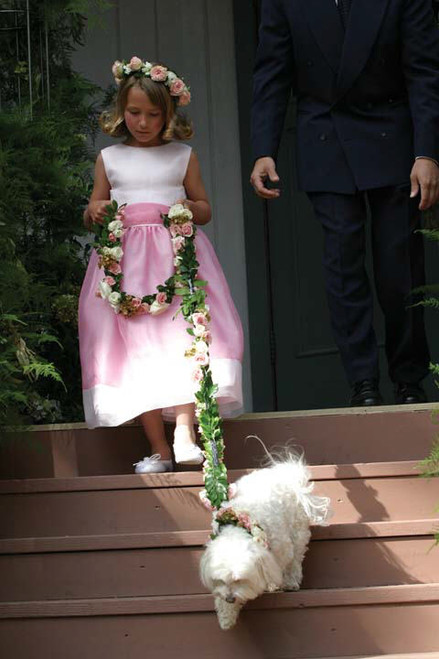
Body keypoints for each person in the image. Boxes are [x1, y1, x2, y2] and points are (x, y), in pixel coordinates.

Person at [250, 0, 439, 406]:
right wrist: (264, 149)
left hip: (395, 136)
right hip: (325, 138)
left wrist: (427, 153)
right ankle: (362, 383)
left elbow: (425, 72)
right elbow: (272, 71)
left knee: (399, 267)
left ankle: (409, 379)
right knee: (342, 266)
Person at [79, 57, 243, 473]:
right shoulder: (109, 158)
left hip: (176, 259)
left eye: (153, 114)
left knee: (181, 339)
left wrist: (188, 207)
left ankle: (185, 431)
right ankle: (158, 448)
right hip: (124, 264)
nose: (143, 122)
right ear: (121, 111)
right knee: (135, 348)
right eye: (134, 113)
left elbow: (204, 207)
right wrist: (96, 209)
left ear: (168, 115)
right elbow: (93, 205)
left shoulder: (181, 156)